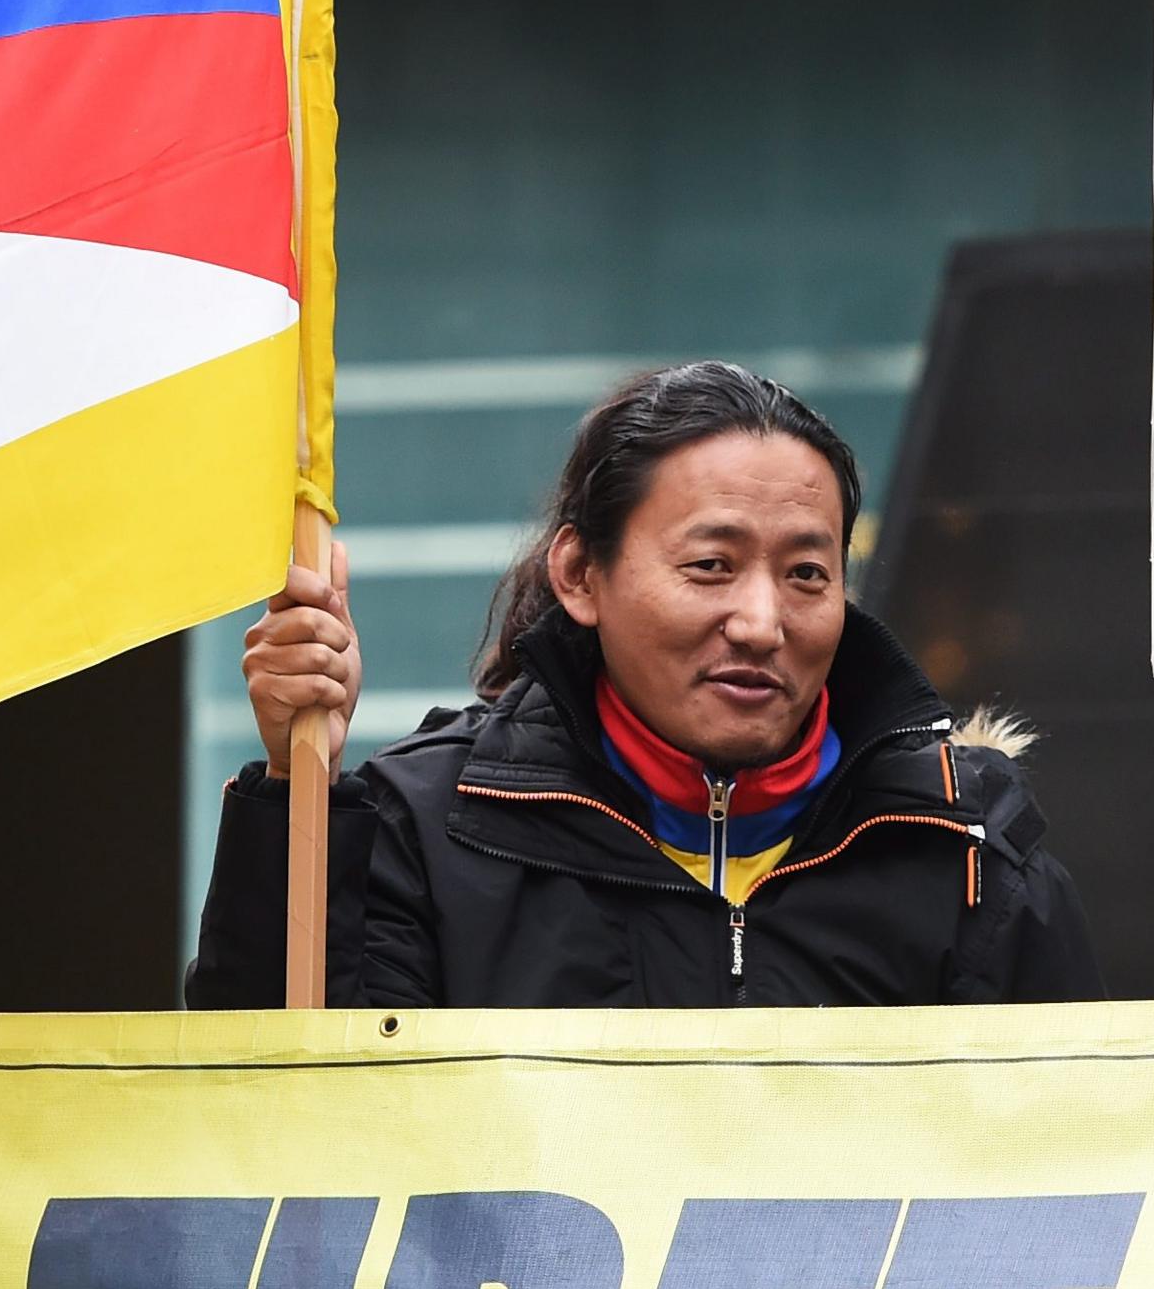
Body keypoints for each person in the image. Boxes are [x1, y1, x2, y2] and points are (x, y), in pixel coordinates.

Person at [189, 361, 1099, 1007]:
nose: (761, 621)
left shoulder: (966, 851)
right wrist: (290, 790)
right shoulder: (431, 828)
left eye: (807, 574)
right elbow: (290, 1143)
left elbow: (1076, 1176)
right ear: (581, 576)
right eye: (710, 564)